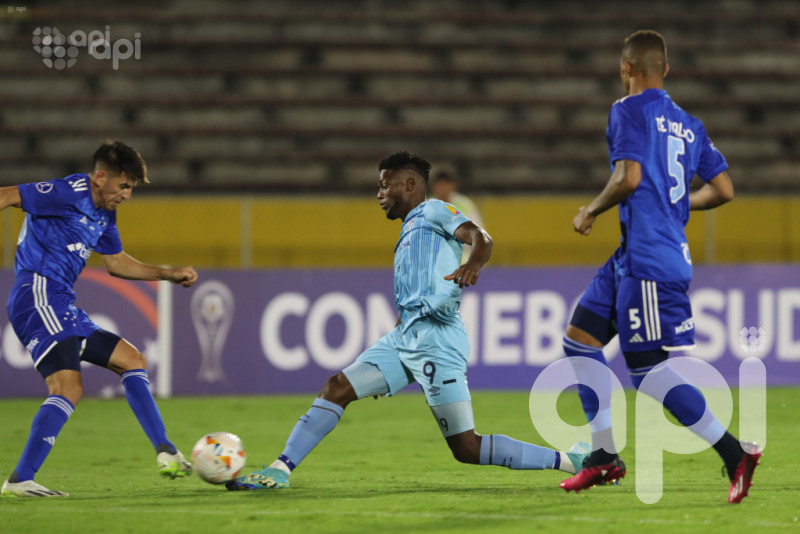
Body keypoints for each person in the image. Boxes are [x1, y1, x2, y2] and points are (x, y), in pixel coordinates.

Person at [226, 151, 589, 491]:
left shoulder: (434, 210)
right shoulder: (410, 230)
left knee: (467, 447)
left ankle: (571, 461)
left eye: (386, 185)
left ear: (410, 185)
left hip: (438, 341)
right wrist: (389, 365)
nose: (379, 194)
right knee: (337, 387)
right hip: (405, 338)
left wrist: (473, 263)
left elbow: (481, 237)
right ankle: (280, 468)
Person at [558, 30, 761, 504]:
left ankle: (735, 454)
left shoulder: (626, 109)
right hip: (634, 256)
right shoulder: (690, 124)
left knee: (648, 373)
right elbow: (725, 189)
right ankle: (604, 457)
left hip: (649, 260)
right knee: (580, 341)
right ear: (665, 70)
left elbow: (628, 177)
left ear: (626, 69)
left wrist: (591, 210)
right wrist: (678, 204)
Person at [0, 140, 198, 498]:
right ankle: (20, 480)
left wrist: (168, 274)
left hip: (62, 301)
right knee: (68, 388)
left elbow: (116, 263)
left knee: (132, 360)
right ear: (101, 176)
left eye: (131, 188)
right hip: (37, 293)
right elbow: (6, 195)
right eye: (123, 186)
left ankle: (166, 450)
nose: (126, 195)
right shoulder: (66, 192)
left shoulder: (104, 212)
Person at [429, 165, 483, 264]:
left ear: (454, 185)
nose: (443, 188)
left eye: (446, 184)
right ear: (433, 186)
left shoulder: (465, 206)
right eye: (440, 184)